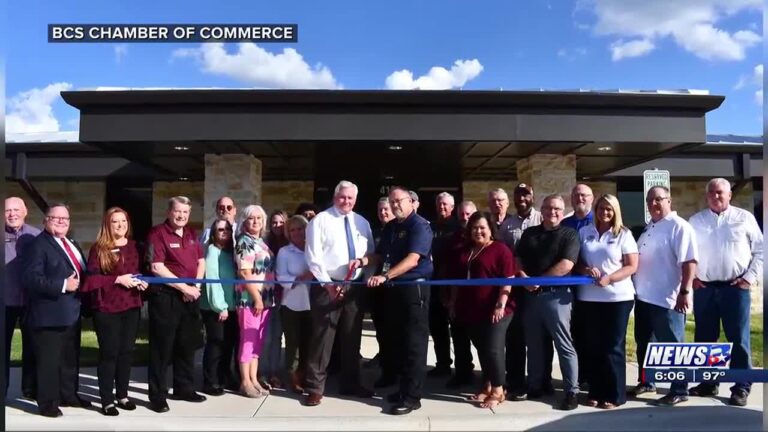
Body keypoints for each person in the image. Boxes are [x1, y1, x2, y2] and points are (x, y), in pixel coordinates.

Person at [688, 178, 763, 406]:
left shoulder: (744, 218)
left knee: (738, 340)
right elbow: (686, 253)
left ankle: (741, 387)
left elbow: (761, 250)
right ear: (706, 196)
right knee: (705, 338)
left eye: (720, 192)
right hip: (705, 289)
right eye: (711, 193)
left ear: (730, 195)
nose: (715, 196)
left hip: (735, 289)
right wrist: (692, 278)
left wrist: (749, 278)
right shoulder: (695, 221)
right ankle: (709, 383)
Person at [303, 180, 375, 407]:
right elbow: (313, 256)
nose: (346, 201)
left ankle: (350, 383)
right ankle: (315, 388)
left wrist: (365, 281)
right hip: (327, 286)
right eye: (342, 197)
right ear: (335, 197)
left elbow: (371, 254)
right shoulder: (320, 220)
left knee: (351, 338)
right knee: (322, 338)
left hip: (354, 287)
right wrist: (328, 284)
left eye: (350, 198)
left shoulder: (362, 222)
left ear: (355, 199)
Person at [367, 186, 433, 415]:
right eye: (392, 202)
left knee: (414, 345)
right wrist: (362, 260)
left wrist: (384, 276)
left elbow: (413, 259)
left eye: (399, 201)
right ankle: (403, 390)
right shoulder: (391, 228)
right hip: (394, 290)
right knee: (400, 344)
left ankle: (413, 398)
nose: (395, 205)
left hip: (414, 290)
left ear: (411, 202)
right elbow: (381, 254)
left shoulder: (420, 226)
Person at [630, 186, 698, 406]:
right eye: (650, 200)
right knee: (645, 344)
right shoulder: (650, 227)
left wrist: (684, 292)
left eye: (659, 199)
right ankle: (647, 382)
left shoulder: (679, 227)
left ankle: (680, 389)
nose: (654, 204)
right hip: (644, 298)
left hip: (667, 299)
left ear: (669, 200)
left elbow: (689, 261)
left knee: (673, 346)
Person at [23, 203, 90, 417]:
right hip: (48, 312)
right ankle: (48, 403)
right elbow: (31, 279)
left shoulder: (70, 242)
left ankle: (68, 395)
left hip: (72, 311)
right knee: (49, 362)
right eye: (56, 218)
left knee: (69, 358)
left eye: (65, 219)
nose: (61, 221)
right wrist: (63, 285)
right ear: (45, 220)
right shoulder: (38, 245)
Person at [81, 207, 148, 416]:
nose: (120, 226)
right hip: (107, 308)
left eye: (124, 221)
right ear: (107, 226)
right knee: (109, 353)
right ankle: (107, 400)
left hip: (131, 306)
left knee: (126, 353)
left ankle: (122, 395)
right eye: (115, 222)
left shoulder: (136, 247)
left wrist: (142, 283)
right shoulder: (98, 249)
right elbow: (90, 281)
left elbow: (142, 273)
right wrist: (117, 279)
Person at [516, 194, 580, 411]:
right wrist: (524, 278)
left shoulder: (569, 234)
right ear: (541, 210)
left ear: (563, 212)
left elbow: (567, 264)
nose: (552, 212)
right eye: (548, 208)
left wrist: (538, 281)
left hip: (557, 296)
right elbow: (518, 259)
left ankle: (572, 391)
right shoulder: (529, 233)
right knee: (533, 344)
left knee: (564, 345)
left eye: (557, 209)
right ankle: (535, 385)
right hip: (530, 296)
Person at [574, 194, 638, 409]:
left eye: (609, 209)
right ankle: (595, 390)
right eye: (601, 208)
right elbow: (578, 262)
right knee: (593, 346)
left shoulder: (624, 234)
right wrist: (585, 269)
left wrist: (610, 277)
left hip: (617, 298)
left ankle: (615, 394)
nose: (605, 212)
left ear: (615, 211)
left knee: (612, 346)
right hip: (589, 298)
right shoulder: (584, 232)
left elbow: (632, 266)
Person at [145, 196, 207, 413]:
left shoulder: (191, 233)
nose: (181, 216)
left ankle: (184, 388)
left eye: (185, 213)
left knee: (186, 345)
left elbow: (201, 261)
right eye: (178, 211)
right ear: (169, 212)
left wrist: (196, 287)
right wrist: (185, 288)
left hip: (190, 296)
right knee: (162, 348)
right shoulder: (157, 234)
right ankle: (157, 396)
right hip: (166, 297)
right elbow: (156, 267)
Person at [448, 212, 516, 409]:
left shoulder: (500, 250)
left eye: (482, 228)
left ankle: (498, 390)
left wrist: (500, 304)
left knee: (493, 349)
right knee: (483, 350)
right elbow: (456, 280)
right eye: (475, 228)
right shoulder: (465, 250)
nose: (478, 231)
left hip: (497, 309)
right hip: (470, 310)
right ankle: (488, 384)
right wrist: (452, 302)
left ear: (490, 230)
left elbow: (508, 279)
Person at [497, 183, 549, 400]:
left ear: (533, 196)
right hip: (517, 288)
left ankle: (541, 381)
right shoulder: (507, 225)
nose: (522, 198)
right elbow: (503, 256)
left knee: (541, 338)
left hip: (540, 287)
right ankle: (516, 381)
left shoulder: (542, 219)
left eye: (526, 194)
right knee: (515, 338)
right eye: (519, 194)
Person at [234, 204, 276, 398]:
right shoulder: (244, 242)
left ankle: (254, 378)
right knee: (248, 340)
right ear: (245, 221)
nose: (256, 221)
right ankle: (244, 382)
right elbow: (244, 272)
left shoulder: (260, 242)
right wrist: (257, 297)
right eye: (251, 218)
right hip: (250, 299)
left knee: (257, 340)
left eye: (259, 218)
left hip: (265, 298)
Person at [4, 197, 40, 400]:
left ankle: (30, 389)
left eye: (16, 209)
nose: (12, 214)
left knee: (32, 347)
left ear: (25, 211)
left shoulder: (37, 236)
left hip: (30, 302)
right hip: (4, 302)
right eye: (7, 210)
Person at [200, 218, 240, 396]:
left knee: (228, 344)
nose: (224, 233)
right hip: (215, 307)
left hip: (232, 307)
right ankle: (211, 381)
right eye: (220, 230)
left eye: (228, 230)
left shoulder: (230, 252)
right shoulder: (212, 251)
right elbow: (212, 280)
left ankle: (224, 376)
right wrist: (220, 306)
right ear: (214, 233)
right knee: (216, 344)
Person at [561, 183, 594, 388]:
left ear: (592, 197)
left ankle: (592, 374)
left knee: (593, 333)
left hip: (594, 289)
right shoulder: (565, 223)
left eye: (584, 195)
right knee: (576, 333)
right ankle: (580, 375)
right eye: (576, 195)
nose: (579, 198)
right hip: (569, 288)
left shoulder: (600, 220)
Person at [275, 215, 313, 394]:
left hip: (313, 303)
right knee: (293, 343)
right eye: (293, 229)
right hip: (291, 303)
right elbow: (280, 276)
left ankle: (307, 374)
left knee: (309, 341)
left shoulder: (313, 249)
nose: (297, 232)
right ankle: (293, 376)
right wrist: (298, 279)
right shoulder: (284, 252)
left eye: (300, 228)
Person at [427, 192, 460, 379]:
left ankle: (463, 368)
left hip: (452, 283)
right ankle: (443, 364)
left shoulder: (458, 228)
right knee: (437, 327)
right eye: (440, 204)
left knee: (457, 328)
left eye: (446, 205)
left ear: (452, 207)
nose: (442, 207)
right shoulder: (429, 227)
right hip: (433, 282)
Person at [369, 196, 396, 380]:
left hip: (394, 286)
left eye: (386, 209)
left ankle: (392, 369)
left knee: (393, 330)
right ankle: (384, 359)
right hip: (377, 286)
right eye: (380, 210)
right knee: (380, 328)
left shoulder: (399, 230)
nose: (383, 213)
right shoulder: (376, 231)